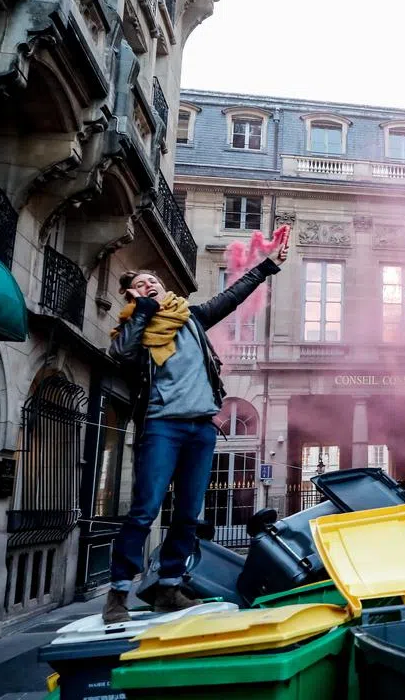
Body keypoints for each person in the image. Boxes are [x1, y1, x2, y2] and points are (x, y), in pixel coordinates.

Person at [103, 241, 288, 623]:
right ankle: (118, 593)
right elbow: (120, 355)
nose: (150, 284)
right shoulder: (134, 331)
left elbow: (231, 296)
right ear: (131, 295)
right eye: (141, 284)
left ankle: (170, 586)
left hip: (201, 427)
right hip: (162, 425)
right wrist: (141, 311)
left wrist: (267, 265)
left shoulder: (191, 318)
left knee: (188, 513)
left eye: (153, 280)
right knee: (144, 510)